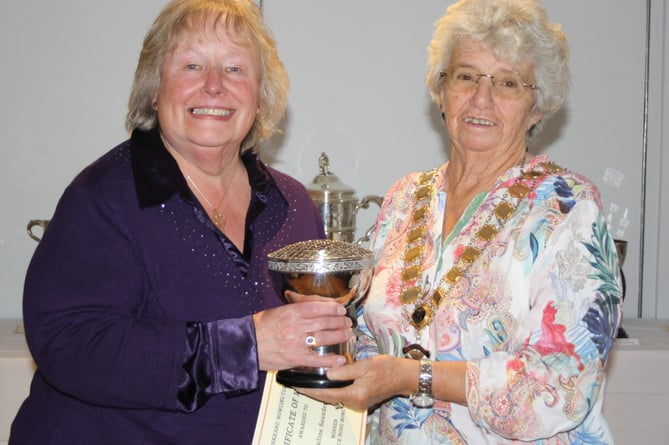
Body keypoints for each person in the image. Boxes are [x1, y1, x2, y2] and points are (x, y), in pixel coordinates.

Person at [10, 0, 352, 443]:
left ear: (261, 93)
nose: (214, 87)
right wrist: (243, 347)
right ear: (155, 88)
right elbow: (70, 344)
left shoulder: (291, 205)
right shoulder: (103, 199)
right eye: (192, 65)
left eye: (235, 69)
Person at [298, 0, 623, 443]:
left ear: (537, 108)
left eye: (508, 82)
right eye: (467, 76)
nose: (482, 98)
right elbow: (369, 335)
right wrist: (322, 333)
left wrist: (412, 377)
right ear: (441, 90)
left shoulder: (569, 210)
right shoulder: (403, 198)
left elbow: (558, 388)